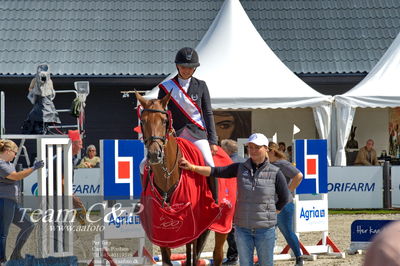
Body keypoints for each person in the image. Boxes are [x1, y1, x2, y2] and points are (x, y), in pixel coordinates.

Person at [179, 133, 290, 266]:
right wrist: (192, 167)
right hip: (243, 229)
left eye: (257, 147)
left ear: (266, 148)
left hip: (265, 230)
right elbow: (215, 171)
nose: (253, 151)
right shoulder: (239, 168)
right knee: (245, 263)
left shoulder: (275, 172)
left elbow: (284, 197)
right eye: (250, 147)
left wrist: (272, 212)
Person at [157, 47, 218, 167]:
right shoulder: (165, 87)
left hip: (196, 134)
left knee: (210, 164)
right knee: (145, 164)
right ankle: (148, 186)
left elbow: (207, 113)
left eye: (190, 67)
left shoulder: (201, 86)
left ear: (194, 68)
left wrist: (213, 141)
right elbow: (160, 115)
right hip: (174, 133)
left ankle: (216, 187)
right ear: (177, 66)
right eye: (183, 66)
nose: (186, 70)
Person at [0, 139, 44, 264]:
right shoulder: (1, 164)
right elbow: (16, 176)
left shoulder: (9, 164)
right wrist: (33, 168)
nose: (15, 155)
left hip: (12, 202)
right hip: (4, 200)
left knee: (29, 224)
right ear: (8, 151)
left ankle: (15, 254)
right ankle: (2, 259)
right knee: (3, 232)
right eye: (14, 152)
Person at [268, 142, 304, 266]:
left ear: (272, 152)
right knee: (268, 232)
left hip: (283, 204)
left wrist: (288, 190)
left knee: (287, 232)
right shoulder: (270, 164)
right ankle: (266, 259)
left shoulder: (282, 164)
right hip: (272, 203)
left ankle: (299, 258)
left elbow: (299, 175)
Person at [220, 139, 246, 265]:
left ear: (227, 150)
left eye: (222, 149)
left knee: (231, 229)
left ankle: (233, 256)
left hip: (232, 199)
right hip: (245, 199)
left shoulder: (227, 162)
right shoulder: (245, 160)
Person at [21, 64, 61, 134]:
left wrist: (49, 94)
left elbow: (52, 90)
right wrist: (34, 91)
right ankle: (37, 128)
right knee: (36, 114)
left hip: (47, 100)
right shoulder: (34, 80)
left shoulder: (50, 81)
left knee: (48, 114)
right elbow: (30, 88)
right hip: (38, 99)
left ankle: (45, 127)